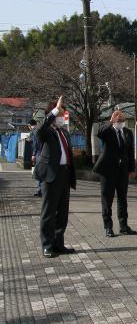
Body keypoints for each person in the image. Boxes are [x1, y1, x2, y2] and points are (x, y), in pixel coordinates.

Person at [33, 96, 76, 258]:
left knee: (62, 213)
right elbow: (39, 130)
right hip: (50, 176)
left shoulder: (64, 132)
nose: (62, 118)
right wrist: (55, 110)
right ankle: (47, 245)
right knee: (48, 213)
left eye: (63, 115)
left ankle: (59, 244)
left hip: (64, 175)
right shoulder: (45, 130)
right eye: (60, 115)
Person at [94, 111, 137, 237]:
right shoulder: (108, 131)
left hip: (122, 170)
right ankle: (108, 227)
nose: (121, 123)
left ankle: (124, 226)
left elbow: (130, 151)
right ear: (113, 121)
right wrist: (110, 121)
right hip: (107, 170)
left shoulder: (128, 132)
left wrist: (132, 169)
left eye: (122, 120)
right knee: (107, 199)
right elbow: (99, 133)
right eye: (118, 120)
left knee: (122, 198)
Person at [29, 119, 43, 197]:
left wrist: (33, 154)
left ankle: (39, 190)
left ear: (30, 125)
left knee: (38, 173)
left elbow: (35, 143)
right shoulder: (40, 129)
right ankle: (42, 190)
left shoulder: (34, 131)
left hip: (38, 153)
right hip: (44, 153)